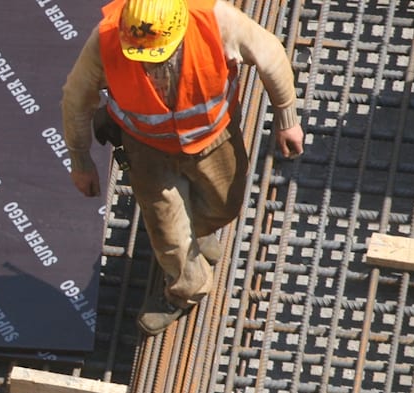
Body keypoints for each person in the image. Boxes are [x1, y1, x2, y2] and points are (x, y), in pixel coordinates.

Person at [61, 0, 305, 334]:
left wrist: (286, 118)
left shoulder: (213, 19)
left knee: (224, 205)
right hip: (147, 149)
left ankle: (197, 231)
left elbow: (271, 55)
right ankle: (184, 289)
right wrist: (80, 159)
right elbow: (75, 98)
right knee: (167, 232)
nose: (153, 60)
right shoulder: (107, 38)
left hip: (213, 140)